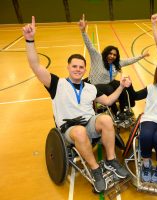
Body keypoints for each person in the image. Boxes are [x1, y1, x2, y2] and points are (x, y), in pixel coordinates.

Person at [23, 16, 130, 193]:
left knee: (105, 120)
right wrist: (29, 39)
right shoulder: (57, 84)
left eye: (81, 67)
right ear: (68, 67)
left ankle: (111, 160)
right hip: (69, 129)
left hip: (89, 124)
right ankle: (96, 170)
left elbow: (109, 101)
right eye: (74, 66)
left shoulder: (90, 88)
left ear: (84, 69)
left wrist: (121, 86)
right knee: (79, 132)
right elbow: (35, 65)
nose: (78, 69)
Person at [79, 14, 150, 117]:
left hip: (108, 84)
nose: (112, 56)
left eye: (114, 55)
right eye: (110, 53)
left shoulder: (117, 63)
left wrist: (142, 56)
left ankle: (124, 108)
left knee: (123, 84)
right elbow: (89, 45)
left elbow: (130, 60)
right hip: (94, 85)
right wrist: (83, 31)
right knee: (111, 89)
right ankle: (115, 112)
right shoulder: (97, 58)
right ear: (106, 53)